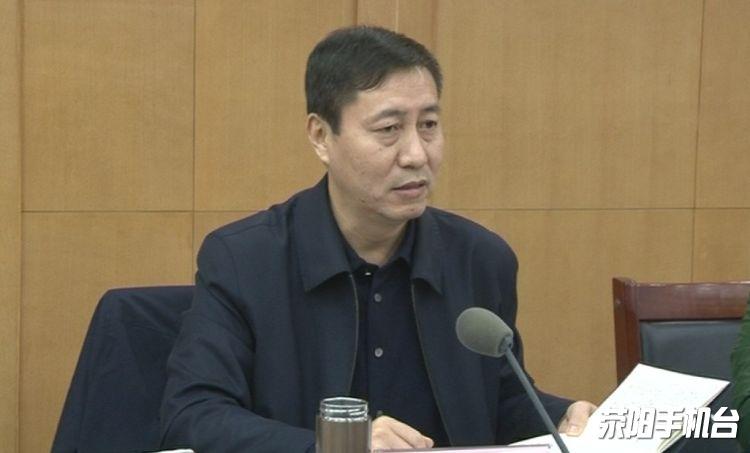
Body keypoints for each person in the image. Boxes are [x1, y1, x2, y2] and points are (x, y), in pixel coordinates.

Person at [160, 25, 595, 452]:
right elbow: (194, 415)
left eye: (428, 125)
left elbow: (498, 400)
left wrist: (562, 416)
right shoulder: (245, 260)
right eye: (389, 129)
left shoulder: (479, 259)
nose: (416, 154)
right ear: (321, 136)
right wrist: (336, 445)